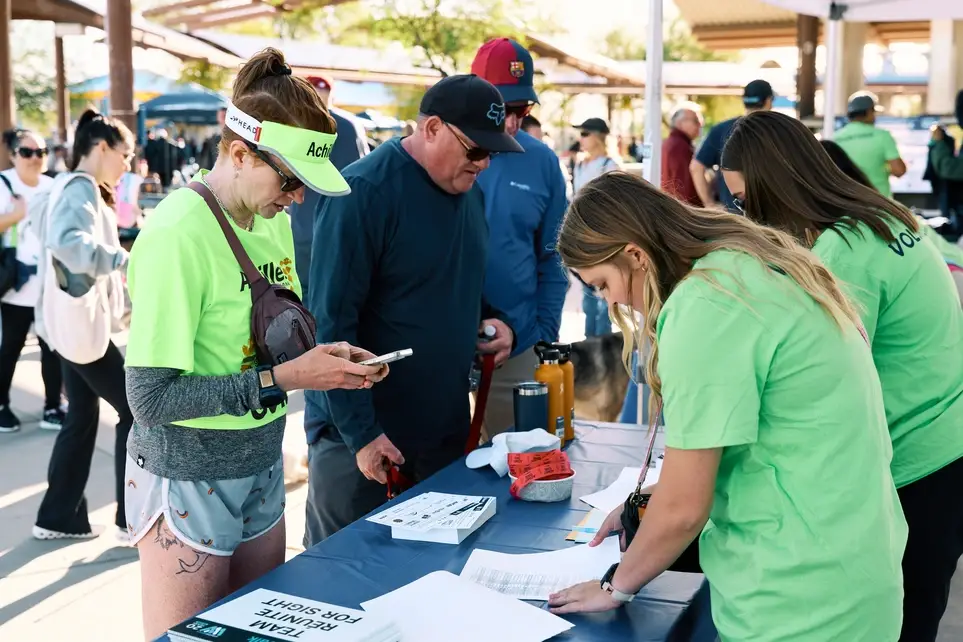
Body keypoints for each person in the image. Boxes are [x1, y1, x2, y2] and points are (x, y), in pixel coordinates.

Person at [546, 171, 907, 641]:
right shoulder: (741, 268)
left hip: (800, 600)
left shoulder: (706, 306)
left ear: (635, 255)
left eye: (601, 285)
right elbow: (778, 432)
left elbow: (683, 508)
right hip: (847, 568)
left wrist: (616, 585)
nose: (611, 302)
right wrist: (661, 490)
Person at [121, 49, 387, 641]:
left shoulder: (271, 218)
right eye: (290, 181)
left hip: (260, 462)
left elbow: (267, 338)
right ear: (239, 153)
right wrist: (286, 380)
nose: (296, 199)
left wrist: (328, 360)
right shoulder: (175, 235)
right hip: (187, 474)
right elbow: (150, 399)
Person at [722, 110, 963, 642]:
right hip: (945, 441)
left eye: (744, 201)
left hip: (917, 461)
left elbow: (823, 377)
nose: (744, 214)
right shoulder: (881, 216)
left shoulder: (842, 250)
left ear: (776, 185)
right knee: (918, 609)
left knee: (903, 619)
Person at [302, 74, 523, 546]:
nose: (483, 164)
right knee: (340, 579)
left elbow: (455, 281)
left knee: (433, 580)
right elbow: (332, 323)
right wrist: (362, 435)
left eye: (492, 153)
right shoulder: (362, 193)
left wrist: (495, 321)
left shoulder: (470, 194)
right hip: (363, 442)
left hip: (441, 433)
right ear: (432, 129)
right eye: (474, 150)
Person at [31, 110, 134, 541]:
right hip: (81, 327)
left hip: (67, 326)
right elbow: (68, 244)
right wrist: (123, 260)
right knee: (135, 410)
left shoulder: (64, 185)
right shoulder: (81, 188)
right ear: (103, 147)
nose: (128, 165)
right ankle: (132, 520)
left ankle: (58, 517)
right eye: (125, 154)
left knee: (82, 414)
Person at [470, 38, 569, 439]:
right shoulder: (435, 158)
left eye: (522, 110)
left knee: (520, 469)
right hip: (441, 349)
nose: (512, 122)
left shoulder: (542, 161)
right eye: (503, 109)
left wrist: (540, 335)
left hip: (516, 348)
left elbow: (554, 258)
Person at [0, 129, 64, 433]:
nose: (35, 158)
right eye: (27, 152)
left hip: (47, 284)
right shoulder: (3, 183)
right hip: (14, 284)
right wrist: (14, 216)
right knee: (9, 347)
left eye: (41, 151)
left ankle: (52, 405)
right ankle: (1, 406)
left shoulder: (54, 185)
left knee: (51, 348)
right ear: (14, 155)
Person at [289, 73, 369, 302]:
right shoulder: (350, 126)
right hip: (335, 227)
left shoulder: (295, 125)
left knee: (305, 296)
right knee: (332, 299)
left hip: (308, 226)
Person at [689, 79, 773, 212]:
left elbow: (696, 167)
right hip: (774, 219)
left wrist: (709, 204)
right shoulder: (779, 132)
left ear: (744, 101)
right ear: (768, 101)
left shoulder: (722, 130)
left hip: (734, 218)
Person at [573, 117, 618, 337]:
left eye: (585, 133)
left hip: (601, 239)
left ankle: (602, 352)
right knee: (588, 297)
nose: (580, 138)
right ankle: (589, 349)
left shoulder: (609, 166)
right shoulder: (580, 164)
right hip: (582, 238)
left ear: (598, 136)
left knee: (603, 299)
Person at [833, 91, 906, 199]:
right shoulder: (883, 136)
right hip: (879, 204)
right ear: (869, 112)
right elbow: (899, 170)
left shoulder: (835, 138)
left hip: (846, 203)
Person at [661, 103, 703, 206]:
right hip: (684, 209)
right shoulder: (680, 146)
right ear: (680, 123)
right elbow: (685, 185)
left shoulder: (671, 142)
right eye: (696, 121)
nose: (700, 125)